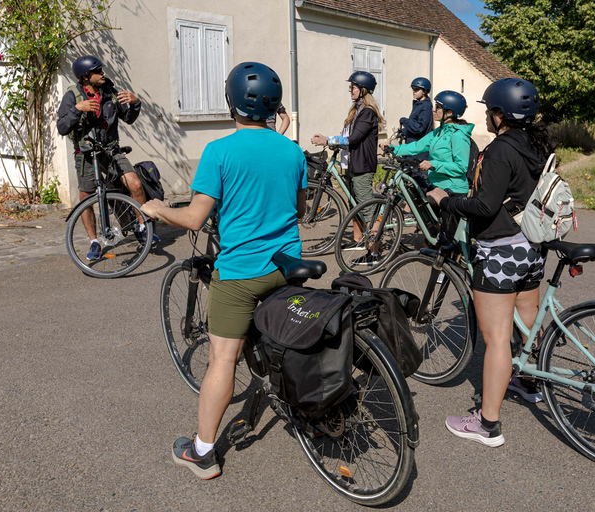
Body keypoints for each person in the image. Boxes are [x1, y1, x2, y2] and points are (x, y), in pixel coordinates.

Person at [141, 62, 307, 480]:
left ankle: (202, 452)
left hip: (242, 273)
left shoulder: (219, 151)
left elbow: (195, 218)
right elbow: (300, 210)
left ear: (231, 101)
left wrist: (160, 208)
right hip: (287, 266)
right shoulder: (291, 150)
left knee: (222, 358)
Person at [427, 78, 554, 447]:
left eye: (488, 110)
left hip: (501, 250)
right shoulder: (536, 144)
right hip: (532, 246)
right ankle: (528, 382)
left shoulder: (499, 150)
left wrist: (446, 200)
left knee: (496, 338)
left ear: (500, 114)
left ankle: (488, 423)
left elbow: (484, 206)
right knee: (527, 321)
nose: (485, 116)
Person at [56, 55, 157, 261]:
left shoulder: (110, 92)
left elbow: (128, 118)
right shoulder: (73, 96)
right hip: (86, 154)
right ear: (85, 76)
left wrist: (135, 103)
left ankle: (142, 228)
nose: (102, 74)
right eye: (97, 71)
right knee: (86, 197)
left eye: (102, 70)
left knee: (135, 184)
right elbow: (62, 127)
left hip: (111, 151)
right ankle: (94, 241)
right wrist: (77, 110)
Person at [311, 71, 384, 265]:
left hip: (362, 166)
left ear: (363, 90)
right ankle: (359, 241)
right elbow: (348, 136)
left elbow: (354, 138)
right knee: (355, 205)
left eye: (353, 87)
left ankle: (375, 253)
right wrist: (334, 141)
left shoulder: (367, 113)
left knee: (366, 208)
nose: (350, 90)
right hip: (352, 164)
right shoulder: (357, 110)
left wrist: (328, 140)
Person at [387, 90, 473, 195]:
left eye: (438, 107)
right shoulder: (439, 131)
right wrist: (393, 148)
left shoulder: (458, 135)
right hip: (437, 186)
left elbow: (461, 167)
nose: (433, 109)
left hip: (453, 190)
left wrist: (433, 164)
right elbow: (417, 146)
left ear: (449, 113)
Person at [399, 77, 433, 161]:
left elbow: (419, 128)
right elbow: (414, 123)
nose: (414, 91)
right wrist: (404, 131)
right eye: (413, 89)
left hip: (419, 151)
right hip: (412, 147)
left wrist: (404, 120)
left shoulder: (425, 106)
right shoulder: (418, 104)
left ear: (424, 91)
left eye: (417, 89)